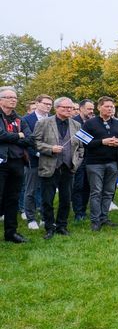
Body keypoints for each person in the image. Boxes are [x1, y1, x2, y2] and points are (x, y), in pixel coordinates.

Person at [33, 97, 83, 239]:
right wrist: (50, 148)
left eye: (71, 108)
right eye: (65, 107)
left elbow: (81, 147)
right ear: (56, 108)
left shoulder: (76, 125)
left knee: (66, 199)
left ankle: (62, 225)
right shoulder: (43, 123)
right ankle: (49, 227)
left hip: (68, 168)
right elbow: (35, 142)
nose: (68, 110)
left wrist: (76, 162)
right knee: (47, 200)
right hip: (49, 167)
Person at [83, 96, 118, 231]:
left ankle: (104, 218)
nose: (110, 109)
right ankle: (95, 221)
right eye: (107, 106)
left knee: (108, 192)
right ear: (99, 107)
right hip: (94, 163)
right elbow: (84, 142)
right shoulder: (89, 123)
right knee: (96, 192)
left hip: (113, 163)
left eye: (112, 107)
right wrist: (102, 142)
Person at [0, 86, 34, 243]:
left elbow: (29, 139)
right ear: (1, 100)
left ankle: (11, 233)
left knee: (13, 198)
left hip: (17, 163)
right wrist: (17, 135)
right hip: (1, 162)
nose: (13, 100)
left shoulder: (19, 119)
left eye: (15, 97)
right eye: (9, 97)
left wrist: (13, 136)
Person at [22, 94, 53, 230]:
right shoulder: (26, 120)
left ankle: (45, 217)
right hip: (33, 160)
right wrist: (39, 152)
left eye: (50, 104)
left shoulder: (53, 119)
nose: (48, 106)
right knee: (31, 190)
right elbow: (28, 141)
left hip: (50, 160)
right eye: (45, 103)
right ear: (37, 103)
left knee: (47, 190)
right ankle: (31, 218)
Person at [71, 99, 94, 221]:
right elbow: (83, 141)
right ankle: (78, 212)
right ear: (81, 109)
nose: (91, 111)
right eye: (89, 109)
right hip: (79, 159)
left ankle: (83, 210)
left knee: (88, 186)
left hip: (91, 158)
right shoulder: (74, 122)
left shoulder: (93, 122)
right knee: (78, 186)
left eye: (92, 109)